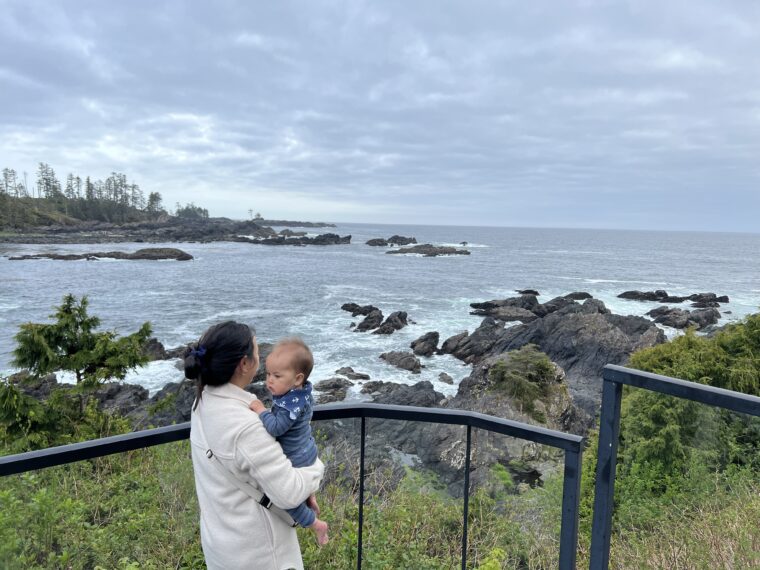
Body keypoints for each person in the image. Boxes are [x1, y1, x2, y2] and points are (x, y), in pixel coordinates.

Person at [186, 321, 324, 570]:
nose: (261, 359)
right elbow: (289, 492)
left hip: (221, 544)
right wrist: (316, 469)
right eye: (258, 353)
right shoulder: (246, 426)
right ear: (244, 364)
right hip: (259, 553)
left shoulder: (202, 402)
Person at [249, 338, 329, 545]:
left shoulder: (289, 405)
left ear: (297, 379)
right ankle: (309, 497)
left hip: (297, 457)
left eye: (276, 376)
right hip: (307, 449)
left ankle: (315, 524)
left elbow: (276, 427)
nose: (269, 381)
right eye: (267, 374)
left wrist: (260, 410)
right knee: (294, 491)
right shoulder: (301, 393)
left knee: (282, 496)